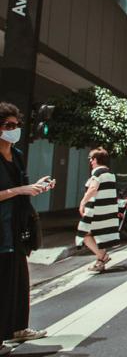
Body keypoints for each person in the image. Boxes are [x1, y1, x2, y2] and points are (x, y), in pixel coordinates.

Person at [0, 102, 56, 354]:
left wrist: (37, 185)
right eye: (8, 126)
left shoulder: (18, 155)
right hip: (1, 228)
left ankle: (17, 328)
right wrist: (21, 190)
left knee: (19, 280)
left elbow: (23, 188)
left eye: (17, 125)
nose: (13, 130)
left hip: (17, 227)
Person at [76, 147, 120, 272]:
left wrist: (82, 202)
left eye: (91, 158)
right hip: (107, 211)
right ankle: (100, 262)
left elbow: (93, 188)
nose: (90, 161)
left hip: (96, 210)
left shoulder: (97, 173)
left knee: (83, 233)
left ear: (95, 160)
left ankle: (102, 256)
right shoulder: (110, 173)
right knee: (99, 235)